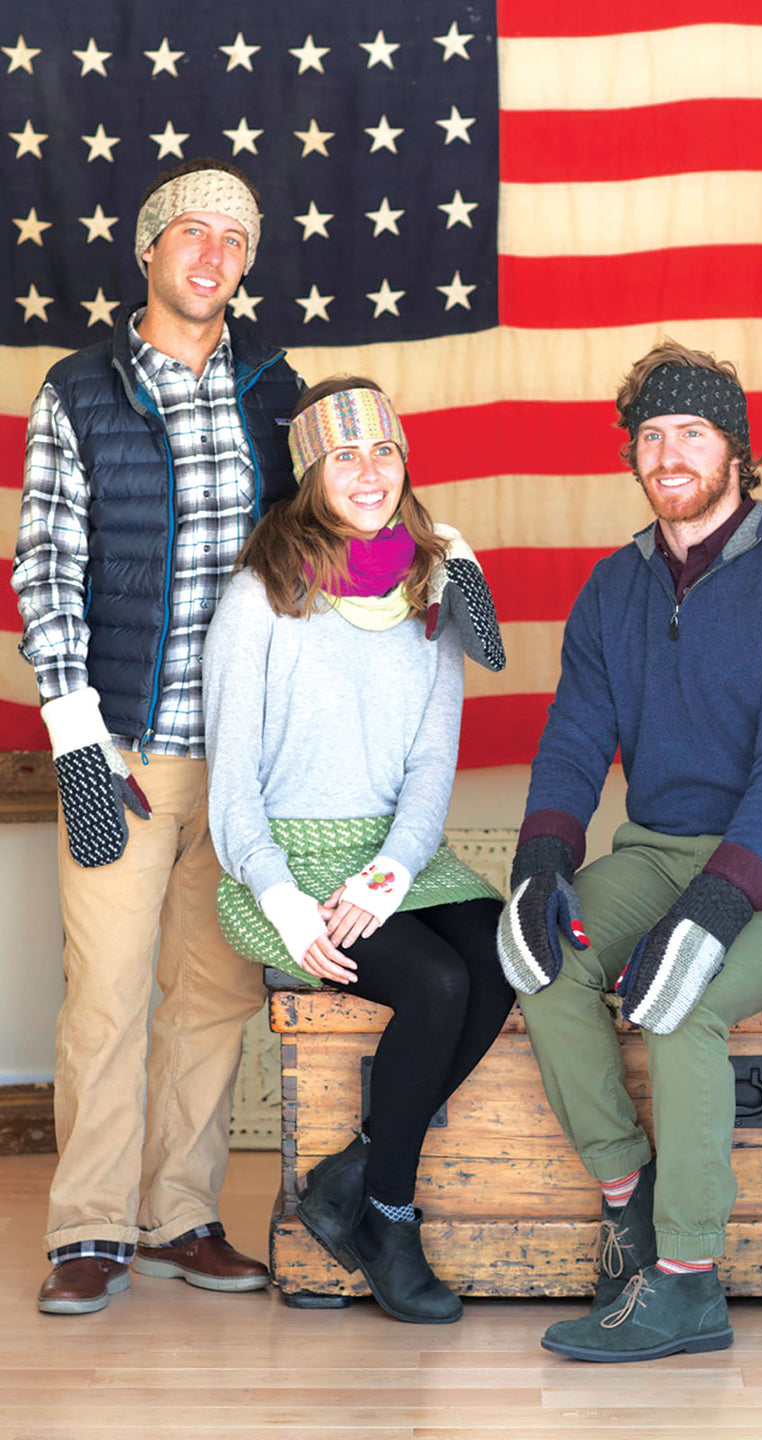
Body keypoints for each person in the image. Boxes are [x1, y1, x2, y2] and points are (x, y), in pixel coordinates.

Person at [495, 340, 762, 1363]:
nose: (668, 452)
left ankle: (689, 1281)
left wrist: (716, 906)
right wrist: (541, 859)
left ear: (735, 453)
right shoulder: (614, 588)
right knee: (538, 954)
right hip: (657, 848)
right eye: (651, 435)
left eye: (691, 433)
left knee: (681, 994)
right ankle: (632, 1198)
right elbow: (575, 737)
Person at [10, 158, 303, 1314]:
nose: (213, 253)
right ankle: (89, 1227)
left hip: (245, 759)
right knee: (108, 994)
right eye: (193, 231)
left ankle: (179, 1215)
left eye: (235, 239)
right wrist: (80, 736)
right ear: (148, 251)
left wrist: (445, 558)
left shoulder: (277, 392)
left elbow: (335, 537)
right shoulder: (78, 391)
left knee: (214, 992)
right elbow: (46, 568)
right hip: (128, 751)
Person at [203, 376, 513, 1324]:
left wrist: (392, 871)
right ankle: (385, 1213)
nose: (369, 473)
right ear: (311, 476)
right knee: (436, 984)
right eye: (345, 457)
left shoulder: (433, 592)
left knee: (499, 955)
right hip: (284, 863)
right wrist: (286, 899)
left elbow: (431, 764)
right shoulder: (261, 600)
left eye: (383, 451)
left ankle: (347, 1172)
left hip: (392, 860)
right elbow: (232, 780)